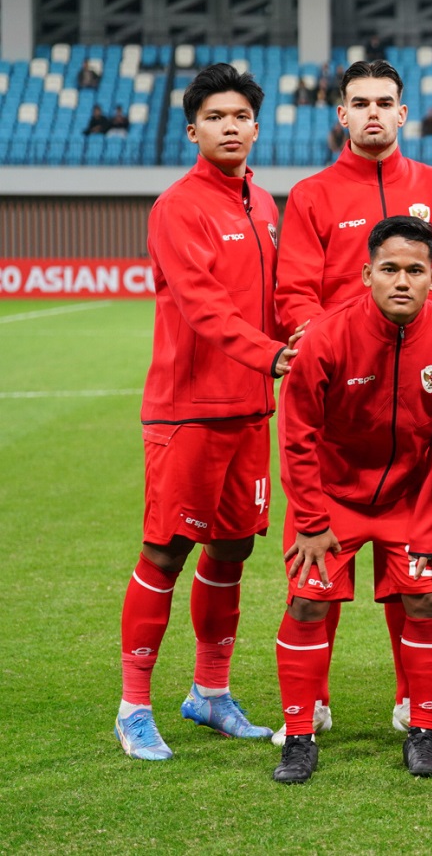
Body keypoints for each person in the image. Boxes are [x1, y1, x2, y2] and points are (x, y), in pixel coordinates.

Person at [273, 58, 432, 744]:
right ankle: (310, 702)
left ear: (404, 113)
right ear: (342, 114)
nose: (374, 112)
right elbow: (292, 290)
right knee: (314, 581)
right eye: (361, 102)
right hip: (342, 389)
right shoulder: (314, 193)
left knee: (414, 576)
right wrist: (320, 335)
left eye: (386, 101)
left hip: (419, 389)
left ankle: (415, 705)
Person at [115, 63, 291, 760]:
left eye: (240, 117)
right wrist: (272, 354)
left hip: (249, 408)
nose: (230, 127)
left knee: (234, 548)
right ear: (193, 130)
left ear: (256, 126)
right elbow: (203, 307)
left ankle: (209, 693)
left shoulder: (264, 203)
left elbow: (276, 299)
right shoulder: (177, 206)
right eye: (216, 118)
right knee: (166, 550)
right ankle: (133, 708)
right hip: (188, 410)